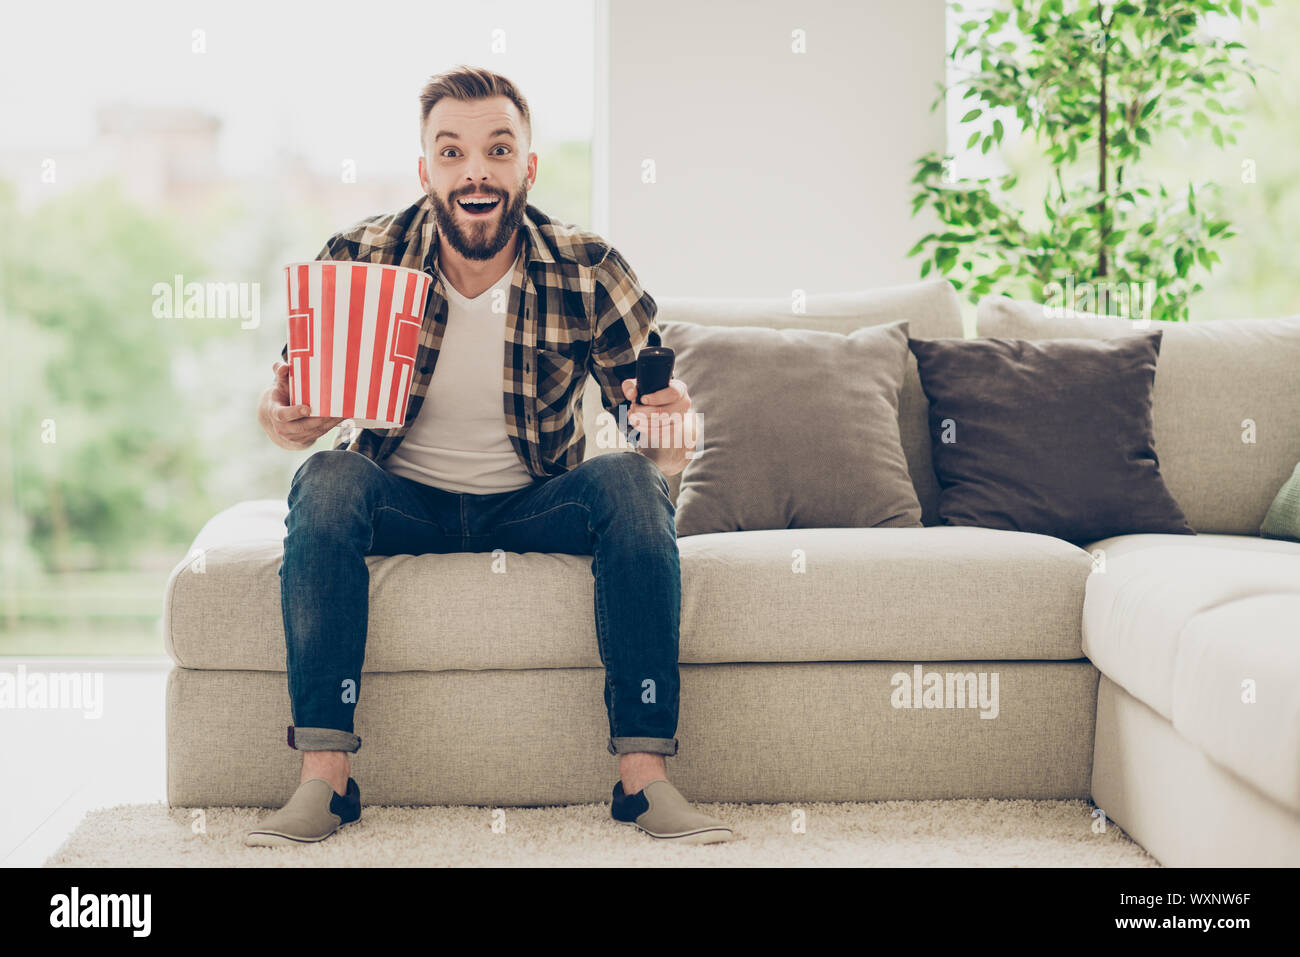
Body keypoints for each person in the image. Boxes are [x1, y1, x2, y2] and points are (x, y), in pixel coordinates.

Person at [244, 66, 732, 847]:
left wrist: (670, 428)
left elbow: (658, 436)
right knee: (328, 473)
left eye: (498, 150)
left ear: (527, 168)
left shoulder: (587, 266)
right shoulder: (363, 255)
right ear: (426, 170)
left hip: (534, 501)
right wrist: (285, 417)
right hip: (401, 500)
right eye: (452, 152)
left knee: (630, 481)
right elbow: (287, 408)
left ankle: (644, 780)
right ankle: (325, 781)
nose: (476, 170)